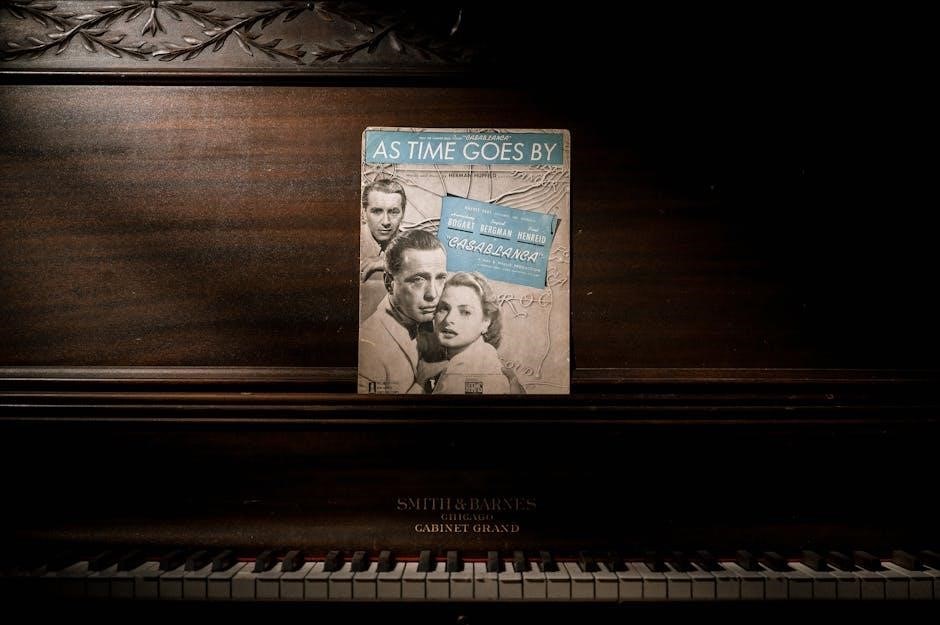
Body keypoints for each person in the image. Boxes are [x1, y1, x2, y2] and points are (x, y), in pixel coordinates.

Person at [358, 229, 448, 394]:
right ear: (389, 283)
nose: (433, 294)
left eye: (440, 278)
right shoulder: (368, 348)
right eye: (418, 279)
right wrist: (421, 384)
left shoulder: (433, 318)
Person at [428, 272, 511, 395]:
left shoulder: (469, 371)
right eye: (444, 308)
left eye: (465, 312)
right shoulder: (478, 359)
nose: (449, 319)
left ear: (486, 321)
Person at [360, 178, 407, 321]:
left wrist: (388, 262)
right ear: (364, 212)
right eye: (377, 211)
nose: (386, 221)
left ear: (403, 213)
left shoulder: (411, 243)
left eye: (393, 212)